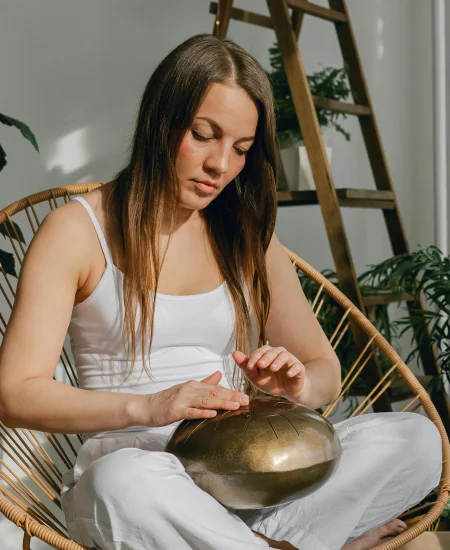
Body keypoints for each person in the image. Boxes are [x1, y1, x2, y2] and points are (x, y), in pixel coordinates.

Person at [0, 33, 442, 550]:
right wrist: (151, 407)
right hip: (145, 491)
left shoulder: (246, 235)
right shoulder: (77, 231)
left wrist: (295, 384)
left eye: (241, 150)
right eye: (204, 135)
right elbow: (14, 393)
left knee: (417, 441)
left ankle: (254, 542)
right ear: (160, 120)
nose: (221, 165)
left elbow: (325, 372)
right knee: (120, 485)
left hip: (248, 480)